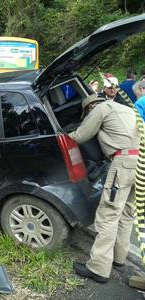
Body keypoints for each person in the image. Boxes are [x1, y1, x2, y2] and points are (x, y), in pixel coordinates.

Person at [69, 94, 139, 283]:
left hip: (124, 164)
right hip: (140, 162)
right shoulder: (125, 109)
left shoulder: (101, 109)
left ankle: (98, 268)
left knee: (108, 214)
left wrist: (62, 138)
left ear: (90, 107)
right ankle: (119, 258)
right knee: (127, 212)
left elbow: (80, 135)